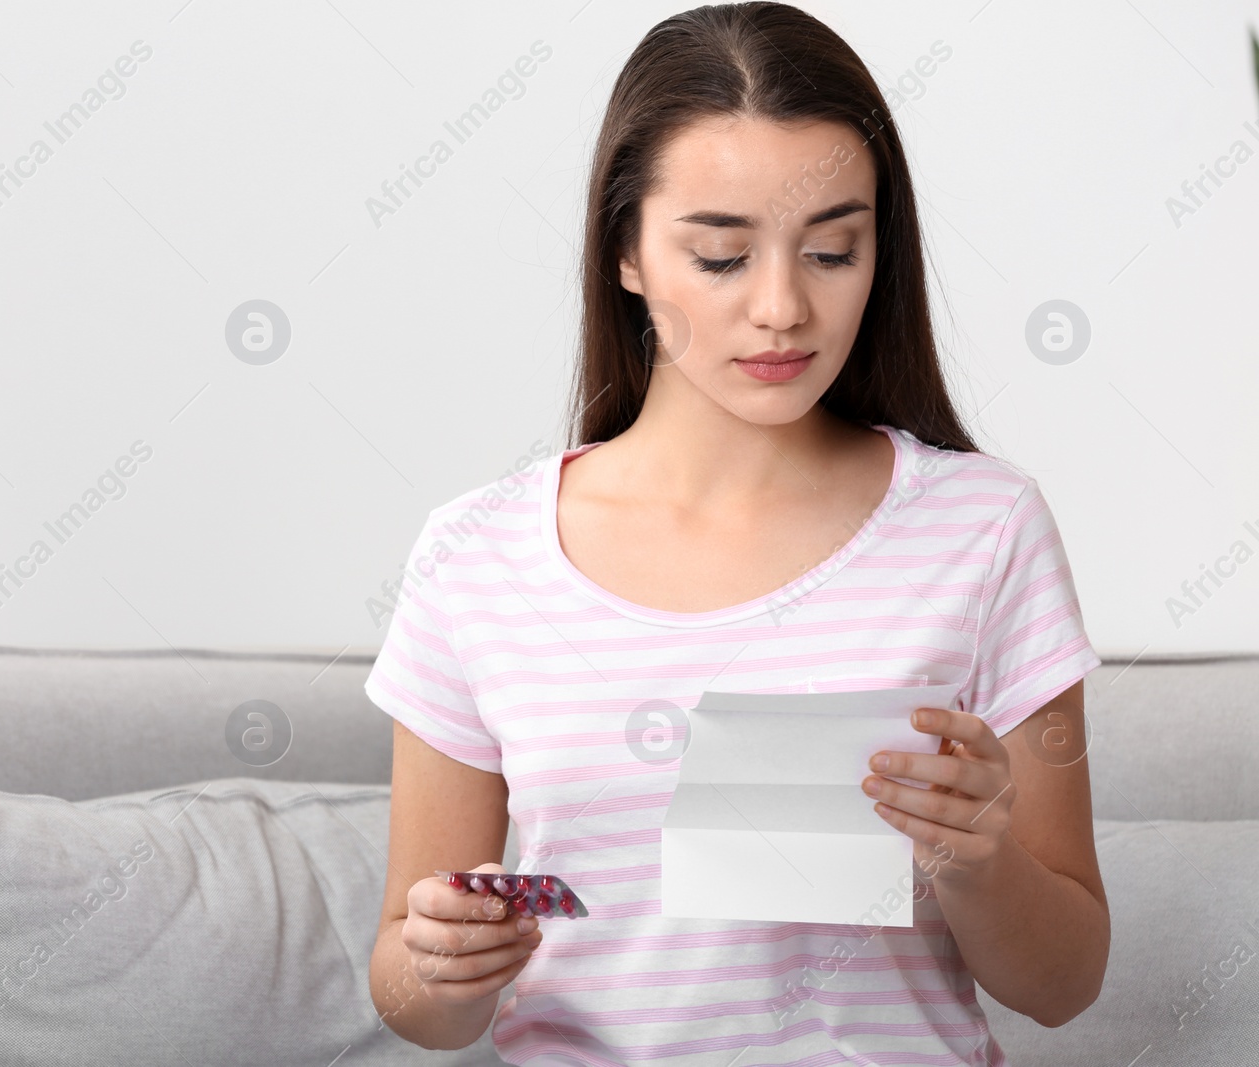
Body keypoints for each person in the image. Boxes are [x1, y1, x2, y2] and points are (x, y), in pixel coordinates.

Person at [364, 4, 1109, 1064]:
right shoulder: (476, 555)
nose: (781, 308)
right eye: (720, 256)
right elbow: (409, 993)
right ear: (625, 251)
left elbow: (1065, 983)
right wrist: (440, 966)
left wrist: (976, 858)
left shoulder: (982, 527)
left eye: (831, 250)